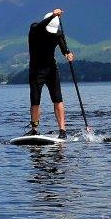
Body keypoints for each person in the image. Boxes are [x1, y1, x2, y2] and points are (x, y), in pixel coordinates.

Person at [26, 9, 73, 139]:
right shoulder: (35, 28)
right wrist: (53, 15)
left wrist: (67, 53)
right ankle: (34, 129)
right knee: (35, 101)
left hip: (51, 70)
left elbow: (63, 45)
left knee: (58, 99)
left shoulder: (57, 33)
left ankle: (62, 130)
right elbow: (41, 25)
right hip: (36, 71)